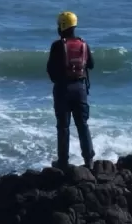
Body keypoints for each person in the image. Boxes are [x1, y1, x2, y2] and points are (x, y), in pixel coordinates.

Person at [46, 11, 95, 169]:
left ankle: (63, 162)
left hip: (63, 88)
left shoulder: (58, 45)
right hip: (80, 89)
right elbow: (91, 65)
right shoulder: (84, 44)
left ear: (63, 25)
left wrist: (58, 80)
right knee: (83, 125)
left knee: (63, 126)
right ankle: (89, 161)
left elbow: (50, 69)